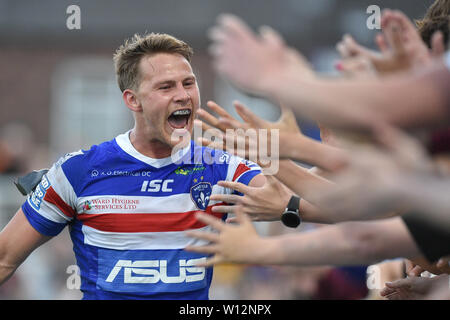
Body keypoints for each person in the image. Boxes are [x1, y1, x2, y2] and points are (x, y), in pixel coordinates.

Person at [0, 33, 264, 300]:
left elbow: (298, 204)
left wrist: (283, 150)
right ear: (132, 100)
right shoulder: (78, 170)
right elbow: (4, 257)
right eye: (166, 87)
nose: (183, 95)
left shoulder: (219, 166)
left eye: (188, 83)